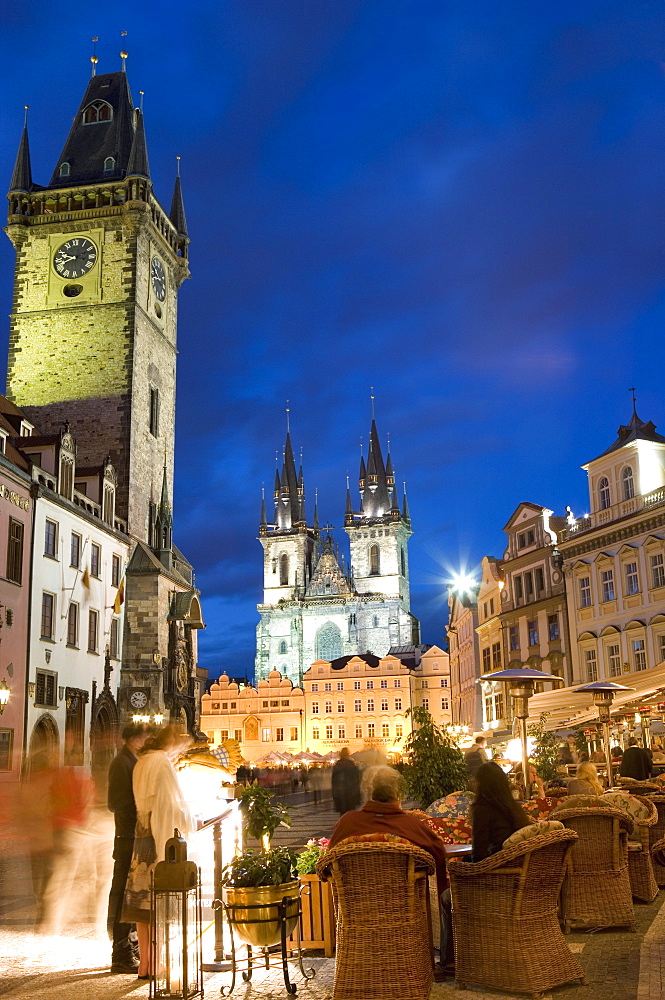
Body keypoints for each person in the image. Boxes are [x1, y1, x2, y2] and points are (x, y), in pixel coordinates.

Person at [439, 763, 532, 974]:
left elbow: (480, 854)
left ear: (481, 784)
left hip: (494, 882)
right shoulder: (513, 808)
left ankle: (449, 962)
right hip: (515, 881)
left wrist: (461, 869)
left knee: (447, 897)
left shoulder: (483, 809)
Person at [122, 725, 194, 979]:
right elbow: (169, 807)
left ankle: (145, 964)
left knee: (143, 906)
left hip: (141, 837)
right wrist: (191, 821)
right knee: (159, 905)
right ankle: (156, 963)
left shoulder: (142, 761)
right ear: (173, 743)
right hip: (157, 839)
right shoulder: (161, 763)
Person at [107, 722, 151, 974]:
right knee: (123, 895)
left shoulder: (131, 760)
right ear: (135, 739)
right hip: (126, 837)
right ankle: (120, 953)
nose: (149, 741)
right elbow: (115, 803)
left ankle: (130, 946)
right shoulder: (121, 763)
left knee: (130, 895)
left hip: (133, 835)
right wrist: (140, 810)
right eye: (146, 737)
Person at [331, 748, 361, 816]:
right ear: (348, 755)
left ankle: (342, 825)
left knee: (342, 813)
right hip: (350, 793)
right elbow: (357, 779)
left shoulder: (337, 765)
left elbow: (333, 781)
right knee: (351, 813)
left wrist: (334, 794)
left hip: (340, 793)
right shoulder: (351, 764)